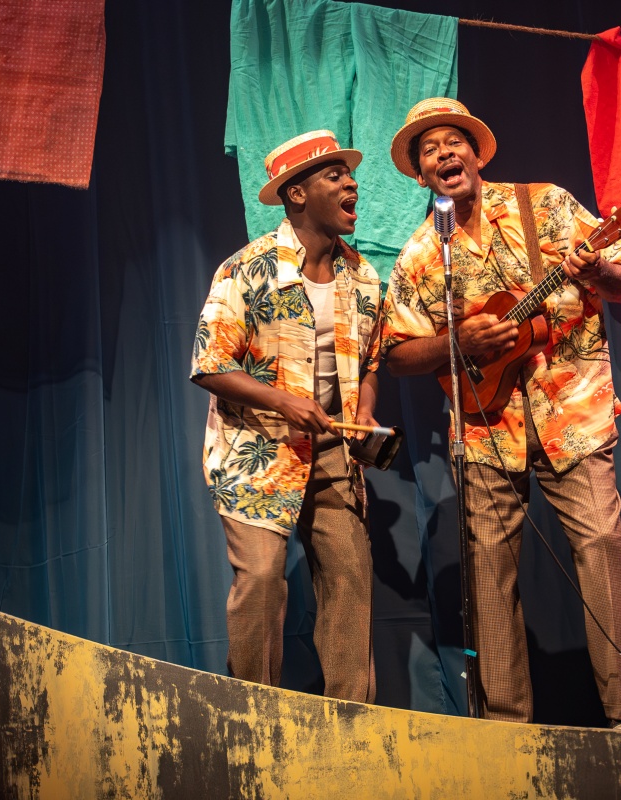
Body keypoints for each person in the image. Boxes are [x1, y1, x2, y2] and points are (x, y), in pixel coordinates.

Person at [380, 98, 621, 731]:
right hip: (482, 429)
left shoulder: (546, 205)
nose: (444, 154)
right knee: (488, 575)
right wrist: (459, 346)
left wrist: (598, 265)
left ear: (476, 154)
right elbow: (396, 353)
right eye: (429, 150)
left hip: (569, 413)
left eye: (454, 142)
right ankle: (508, 733)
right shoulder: (422, 253)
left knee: (603, 544)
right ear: (422, 176)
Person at [191, 130, 381, 702]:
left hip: (333, 451)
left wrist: (366, 410)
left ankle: (355, 728)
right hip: (259, 451)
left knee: (350, 580)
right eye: (334, 176)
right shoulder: (246, 270)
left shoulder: (363, 276)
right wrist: (283, 402)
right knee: (262, 580)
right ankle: (256, 720)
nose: (351, 182)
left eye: (350, 175)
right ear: (297, 194)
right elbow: (209, 364)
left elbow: (372, 359)